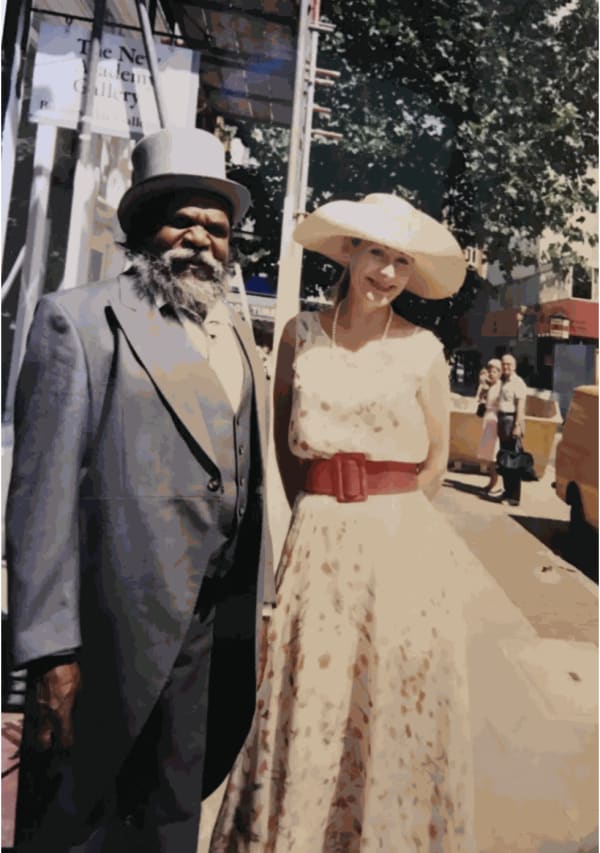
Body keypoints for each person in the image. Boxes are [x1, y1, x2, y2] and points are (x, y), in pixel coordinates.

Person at [7, 127, 272, 853]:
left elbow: (247, 473)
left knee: (168, 818)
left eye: (216, 227)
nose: (199, 239)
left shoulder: (237, 334)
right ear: (143, 228)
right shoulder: (81, 320)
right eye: (180, 219)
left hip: (207, 633)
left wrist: (262, 602)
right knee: (77, 821)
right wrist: (50, 651)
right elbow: (39, 504)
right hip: (106, 634)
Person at [209, 193, 477, 851]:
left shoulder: (423, 350)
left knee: (383, 710)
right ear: (349, 253)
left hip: (398, 553)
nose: (386, 273)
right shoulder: (302, 334)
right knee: (312, 708)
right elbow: (283, 445)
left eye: (401, 262)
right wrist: (320, 514)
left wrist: (387, 529)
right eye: (376, 254)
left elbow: (436, 464)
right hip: (317, 545)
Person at [496, 353, 528, 506]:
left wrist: (517, 426)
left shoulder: (518, 383)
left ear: (514, 366)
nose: (505, 367)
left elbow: (520, 406)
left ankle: (514, 497)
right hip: (502, 422)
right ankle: (507, 492)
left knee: (513, 461)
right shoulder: (503, 382)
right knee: (504, 459)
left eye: (508, 364)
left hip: (512, 422)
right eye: (503, 364)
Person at [476, 359, 502, 493]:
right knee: (489, 455)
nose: (491, 374)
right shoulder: (489, 386)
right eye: (490, 371)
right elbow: (480, 401)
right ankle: (492, 481)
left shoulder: (500, 388)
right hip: (488, 420)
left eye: (494, 371)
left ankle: (496, 483)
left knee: (494, 454)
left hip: (495, 422)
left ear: (499, 373)